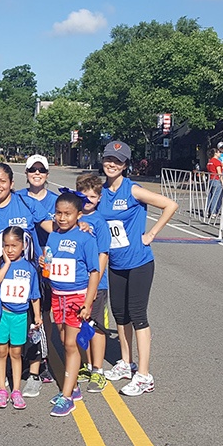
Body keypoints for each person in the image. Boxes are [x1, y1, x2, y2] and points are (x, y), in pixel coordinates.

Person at [98, 141, 178, 396]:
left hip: (140, 262)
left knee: (137, 315)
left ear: (125, 165)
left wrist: (151, 233)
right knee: (120, 315)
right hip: (116, 262)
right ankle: (125, 362)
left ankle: (144, 375)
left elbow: (170, 205)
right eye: (109, 159)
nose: (112, 164)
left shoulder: (133, 190)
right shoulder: (101, 192)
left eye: (118, 161)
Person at [0, 163, 53, 391]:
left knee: (32, 326)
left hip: (28, 279)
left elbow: (51, 226)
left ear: (11, 184)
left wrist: (79, 226)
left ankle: (34, 373)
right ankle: (2, 375)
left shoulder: (26, 203)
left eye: (2, 181)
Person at [42, 191, 99, 417]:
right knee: (63, 338)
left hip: (77, 297)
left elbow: (94, 272)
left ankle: (67, 397)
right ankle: (73, 387)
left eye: (68, 214)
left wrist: (88, 301)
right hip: (58, 295)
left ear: (78, 215)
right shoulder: (53, 236)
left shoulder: (86, 237)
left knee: (70, 345)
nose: (62, 218)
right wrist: (44, 264)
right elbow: (50, 262)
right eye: (58, 213)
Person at [15, 154, 59, 392]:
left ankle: (43, 356)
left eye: (42, 170)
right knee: (22, 313)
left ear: (47, 174)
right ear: (27, 173)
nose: (37, 173)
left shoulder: (57, 200)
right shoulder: (18, 198)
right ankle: (22, 355)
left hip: (49, 266)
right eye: (33, 170)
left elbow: (69, 222)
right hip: (23, 266)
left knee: (43, 313)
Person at [0, 226, 41, 410]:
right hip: (2, 315)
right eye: (6, 246)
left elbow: (34, 294)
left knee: (16, 353)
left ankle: (16, 390)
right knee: (1, 351)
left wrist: (37, 315)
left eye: (14, 245)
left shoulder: (29, 268)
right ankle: (2, 389)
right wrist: (6, 264)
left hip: (20, 317)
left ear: (23, 245)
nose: (10, 250)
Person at [74, 176, 111, 393]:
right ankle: (85, 365)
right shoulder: (73, 218)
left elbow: (103, 255)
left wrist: (95, 285)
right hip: (76, 283)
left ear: (99, 198)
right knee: (79, 324)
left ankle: (98, 369)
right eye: (84, 195)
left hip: (96, 283)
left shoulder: (99, 222)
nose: (88, 200)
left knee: (96, 326)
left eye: (92, 196)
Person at [205, 147, 222, 219]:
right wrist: (222, 181)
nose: (220, 154)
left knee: (210, 196)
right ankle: (213, 212)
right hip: (216, 179)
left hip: (211, 179)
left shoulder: (210, 161)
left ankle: (208, 211)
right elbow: (219, 172)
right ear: (216, 153)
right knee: (215, 197)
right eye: (219, 152)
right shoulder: (217, 161)